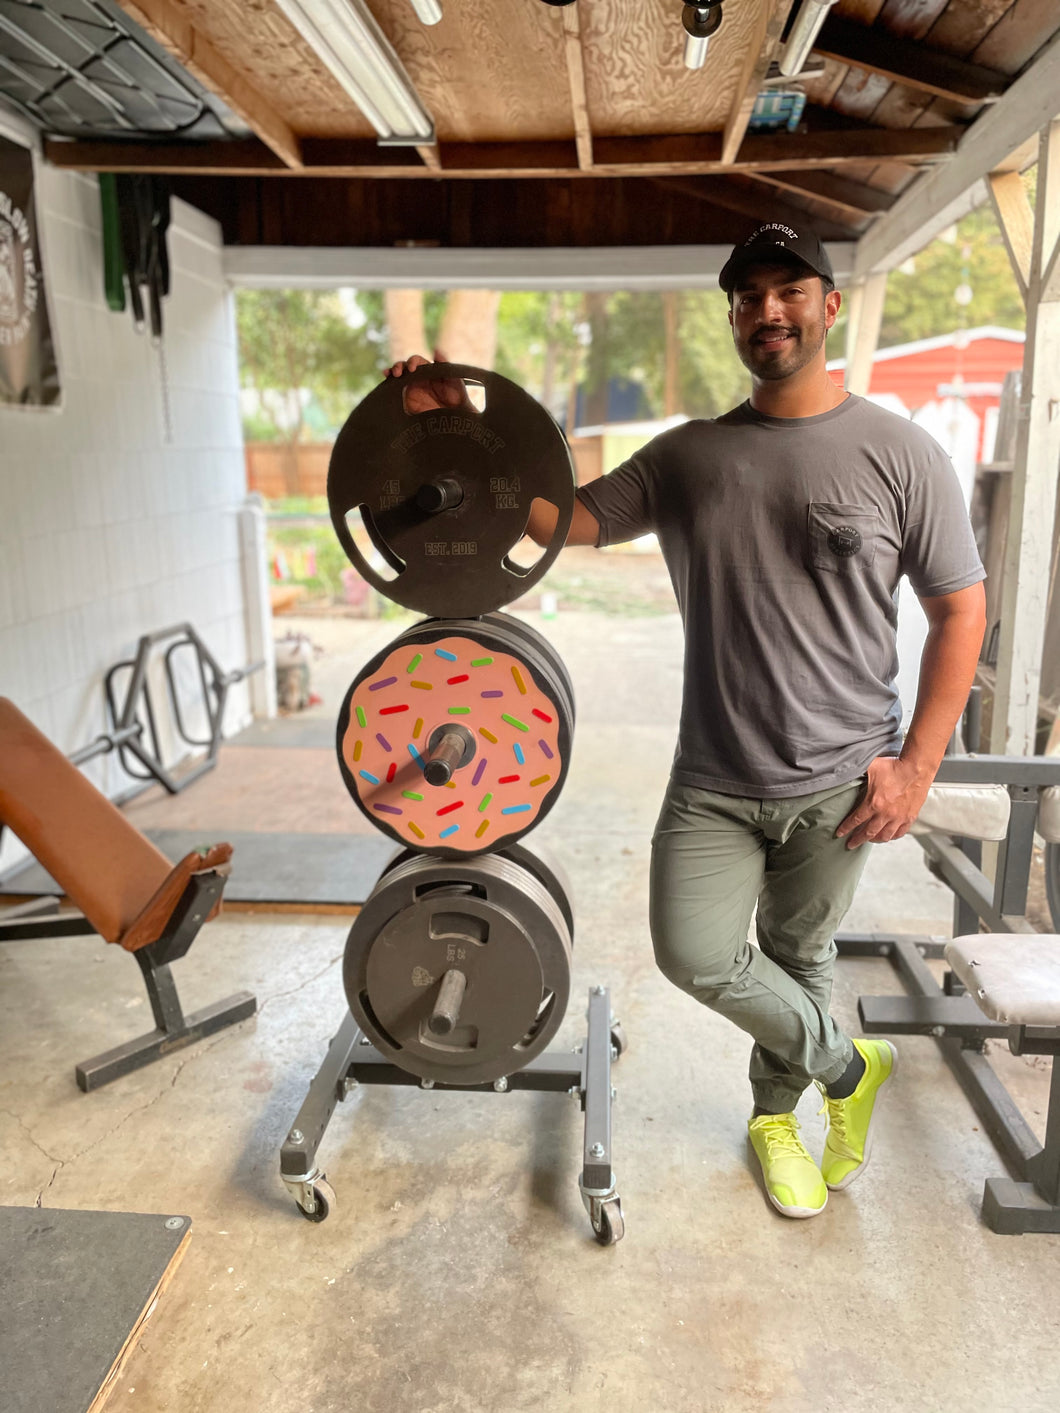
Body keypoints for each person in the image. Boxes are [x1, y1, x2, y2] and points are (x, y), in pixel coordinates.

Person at [385, 220, 987, 1220]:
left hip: (845, 776)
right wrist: (446, 428)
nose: (768, 312)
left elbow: (960, 609)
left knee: (799, 959)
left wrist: (915, 766)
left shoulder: (900, 454)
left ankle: (775, 1125)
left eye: (788, 290)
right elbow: (556, 521)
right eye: (748, 297)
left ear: (828, 306)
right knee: (693, 953)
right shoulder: (688, 458)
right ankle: (851, 1067)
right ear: (735, 320)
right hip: (713, 776)